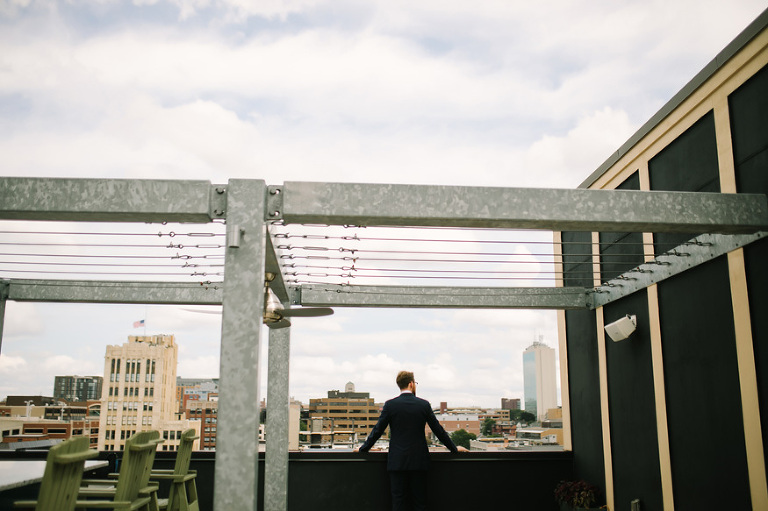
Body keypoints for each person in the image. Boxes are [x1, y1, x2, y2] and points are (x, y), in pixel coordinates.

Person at [355, 370, 468, 510]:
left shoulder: (390, 405)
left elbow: (377, 431)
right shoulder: (424, 405)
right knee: (419, 503)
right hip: (418, 461)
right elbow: (438, 430)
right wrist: (454, 449)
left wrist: (363, 448)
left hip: (397, 462)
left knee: (398, 503)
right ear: (411, 384)